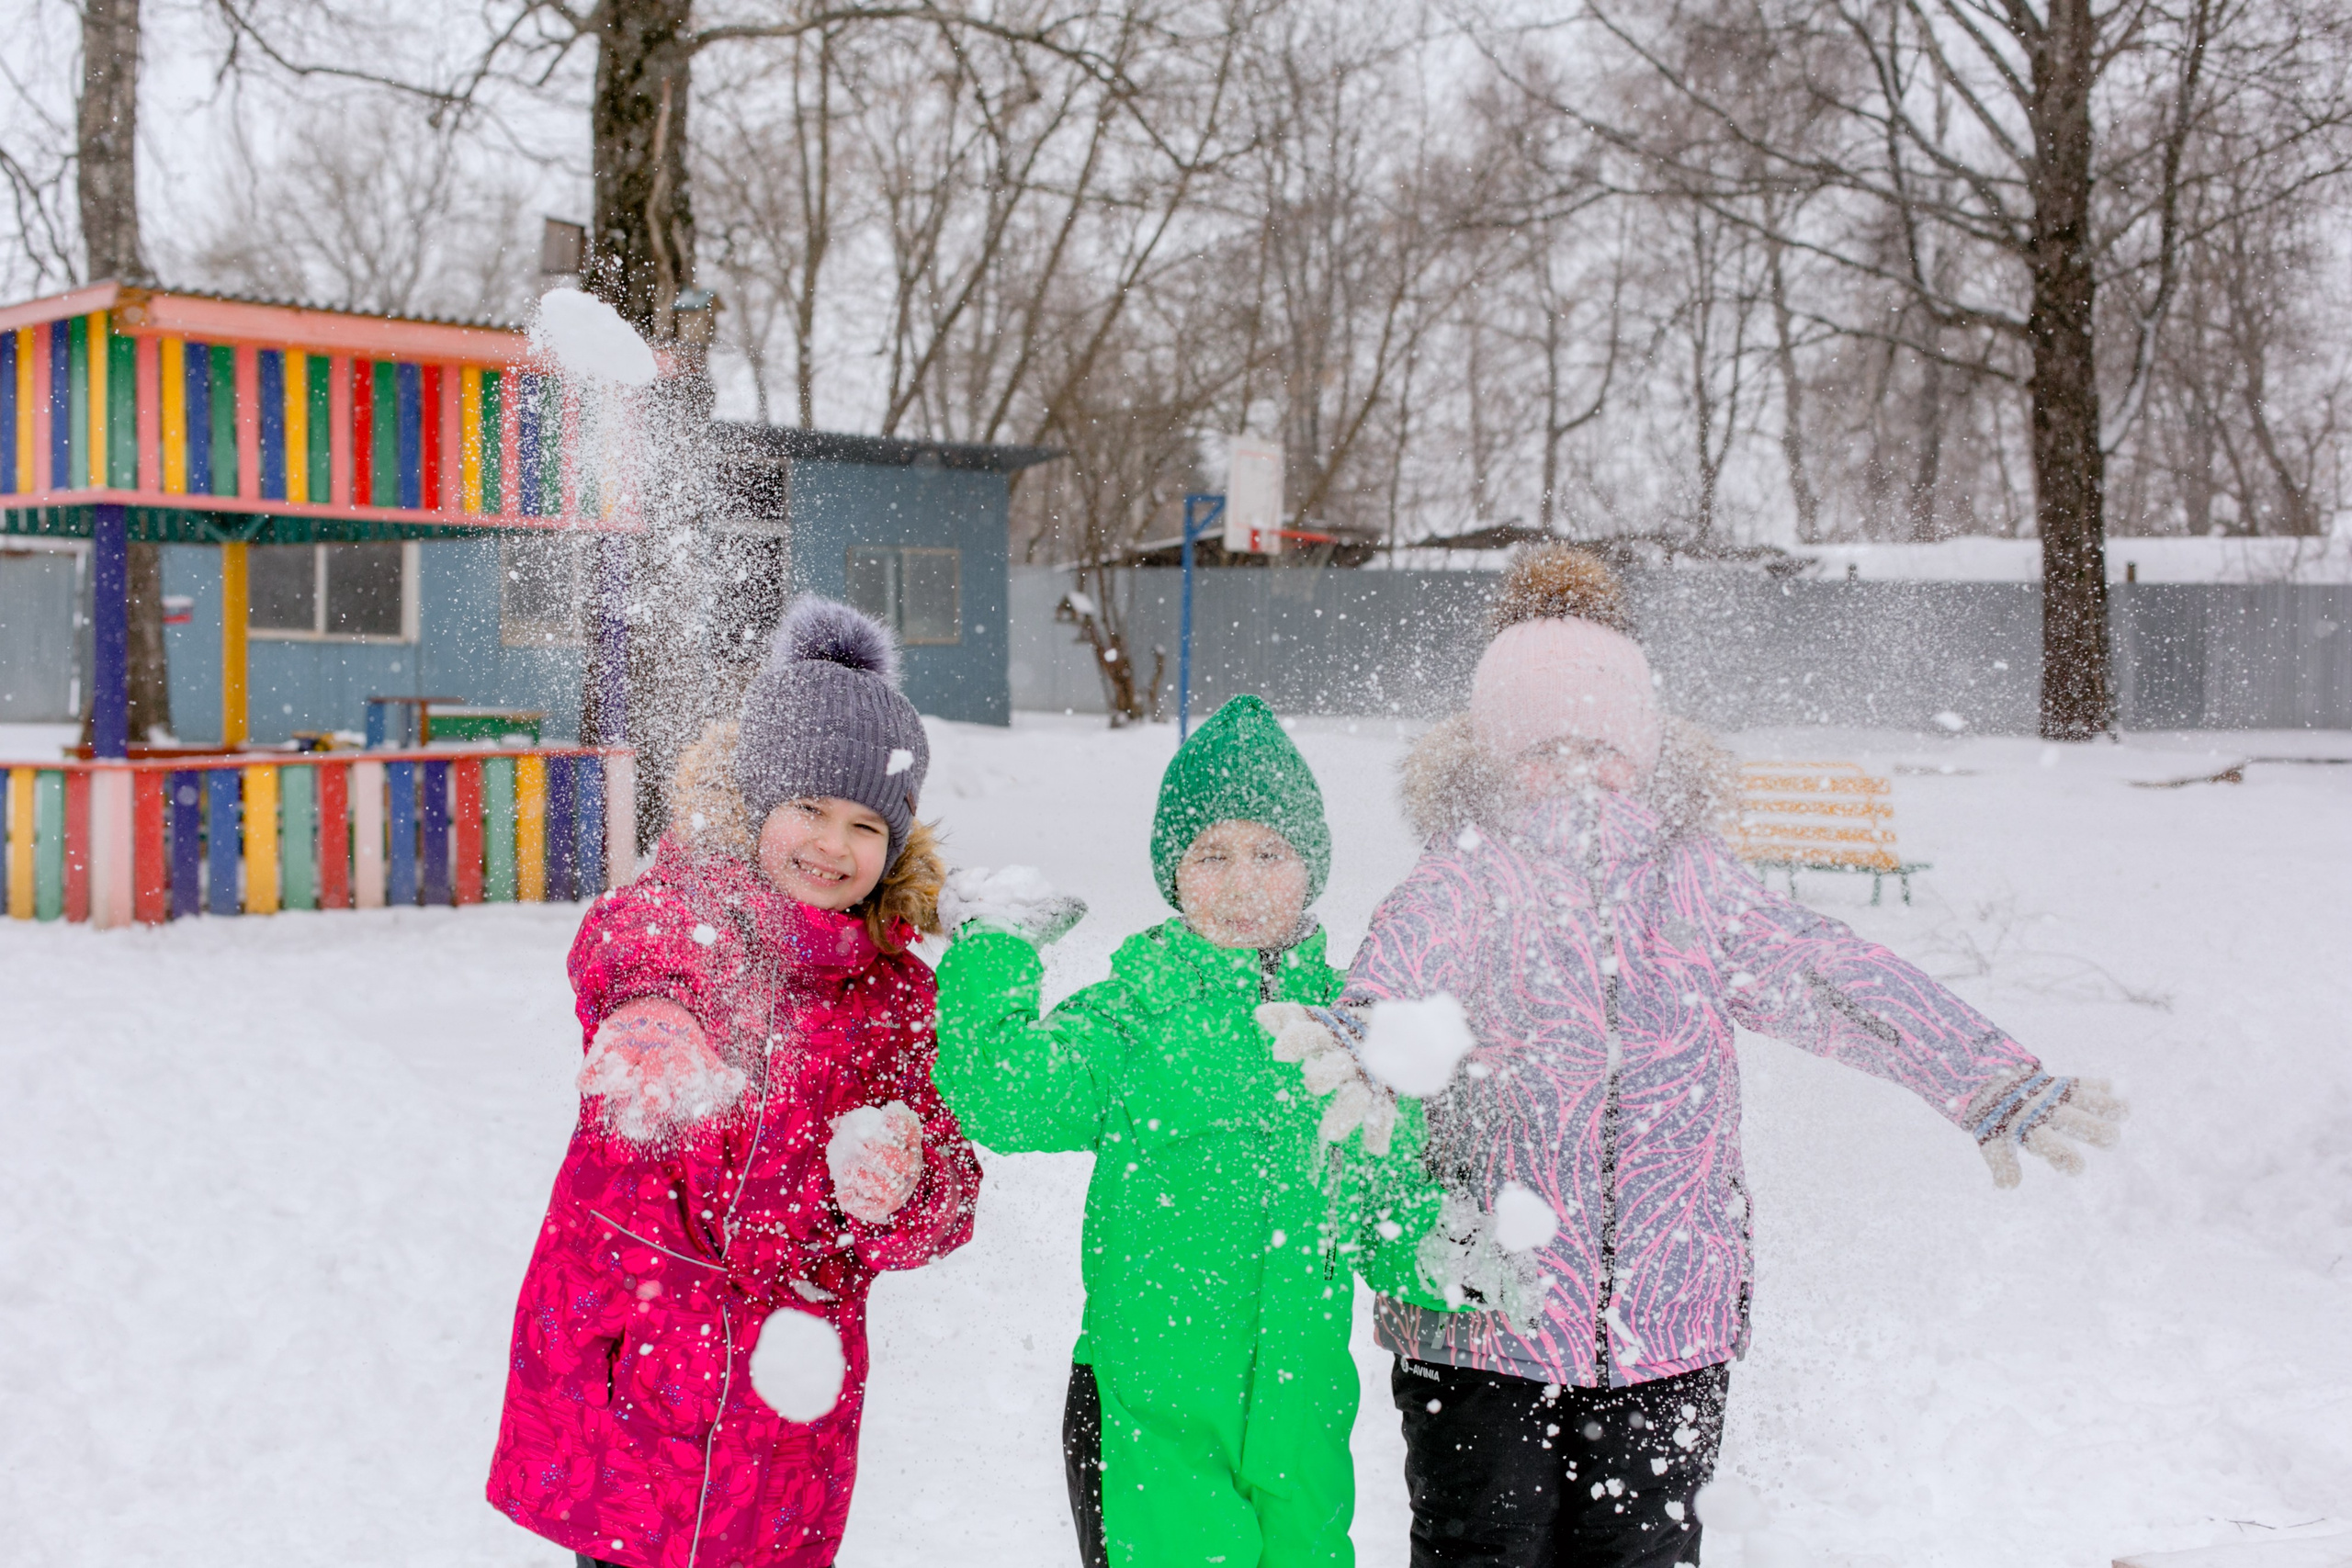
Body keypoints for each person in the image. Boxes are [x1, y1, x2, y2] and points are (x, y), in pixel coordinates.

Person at [1268, 547, 2127, 1568]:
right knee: (1481, 1549)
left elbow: (1827, 976)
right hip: (1485, 1319)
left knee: (1641, 1555)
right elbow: (1395, 979)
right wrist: (1360, 1041)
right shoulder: (1466, 879)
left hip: (1666, 1324)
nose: (1575, 771)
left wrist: (1979, 1075)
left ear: (1644, 748)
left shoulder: (1696, 887)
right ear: (1494, 756)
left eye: (1601, 744)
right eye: (1543, 748)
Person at [485, 598, 985, 1568]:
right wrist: (654, 1014)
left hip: (780, 1402)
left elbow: (952, 1181)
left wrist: (908, 1192)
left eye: (863, 825)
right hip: (634, 1366)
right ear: (753, 802)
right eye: (806, 808)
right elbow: (631, 942)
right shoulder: (687, 913)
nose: (832, 846)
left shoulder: (899, 999)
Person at [932, 695, 1481, 1568]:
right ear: (1173, 873)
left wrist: (1453, 1250)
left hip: (1300, 1425)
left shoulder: (1352, 1024)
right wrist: (994, 951)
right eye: (1210, 854)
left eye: (1270, 852)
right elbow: (1006, 1094)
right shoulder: (1138, 1009)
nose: (1242, 881)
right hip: (1154, 1419)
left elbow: (1378, 1208)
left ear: (1311, 867)